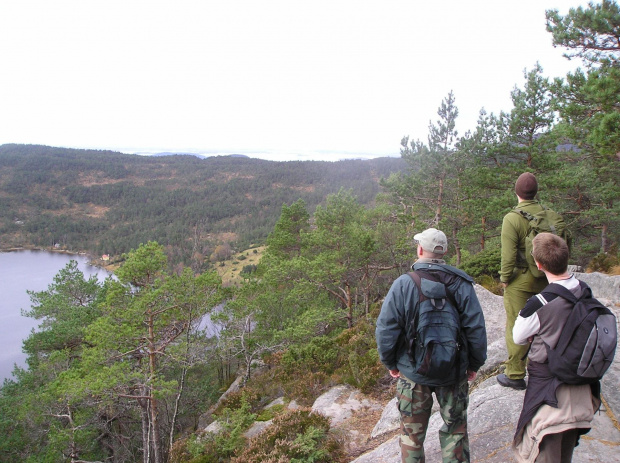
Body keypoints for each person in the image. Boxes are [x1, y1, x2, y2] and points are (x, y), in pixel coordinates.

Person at [375, 228, 487, 463]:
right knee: (455, 431)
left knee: (411, 436)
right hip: (454, 373)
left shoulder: (404, 284)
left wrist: (391, 363)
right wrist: (474, 363)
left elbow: (386, 329)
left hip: (413, 374)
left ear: (419, 250)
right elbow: (475, 328)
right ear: (444, 251)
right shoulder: (462, 283)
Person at [512, 232, 600, 463]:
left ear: (539, 264)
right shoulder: (585, 292)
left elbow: (518, 336)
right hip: (582, 392)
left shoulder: (540, 303)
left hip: (550, 398)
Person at [498, 172, 548, 390]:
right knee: (547, 325)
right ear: (536, 192)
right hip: (547, 278)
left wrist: (505, 280)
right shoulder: (549, 215)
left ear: (517, 192)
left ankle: (515, 374)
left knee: (517, 325)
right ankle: (545, 369)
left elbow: (508, 257)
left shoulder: (512, 218)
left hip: (522, 281)